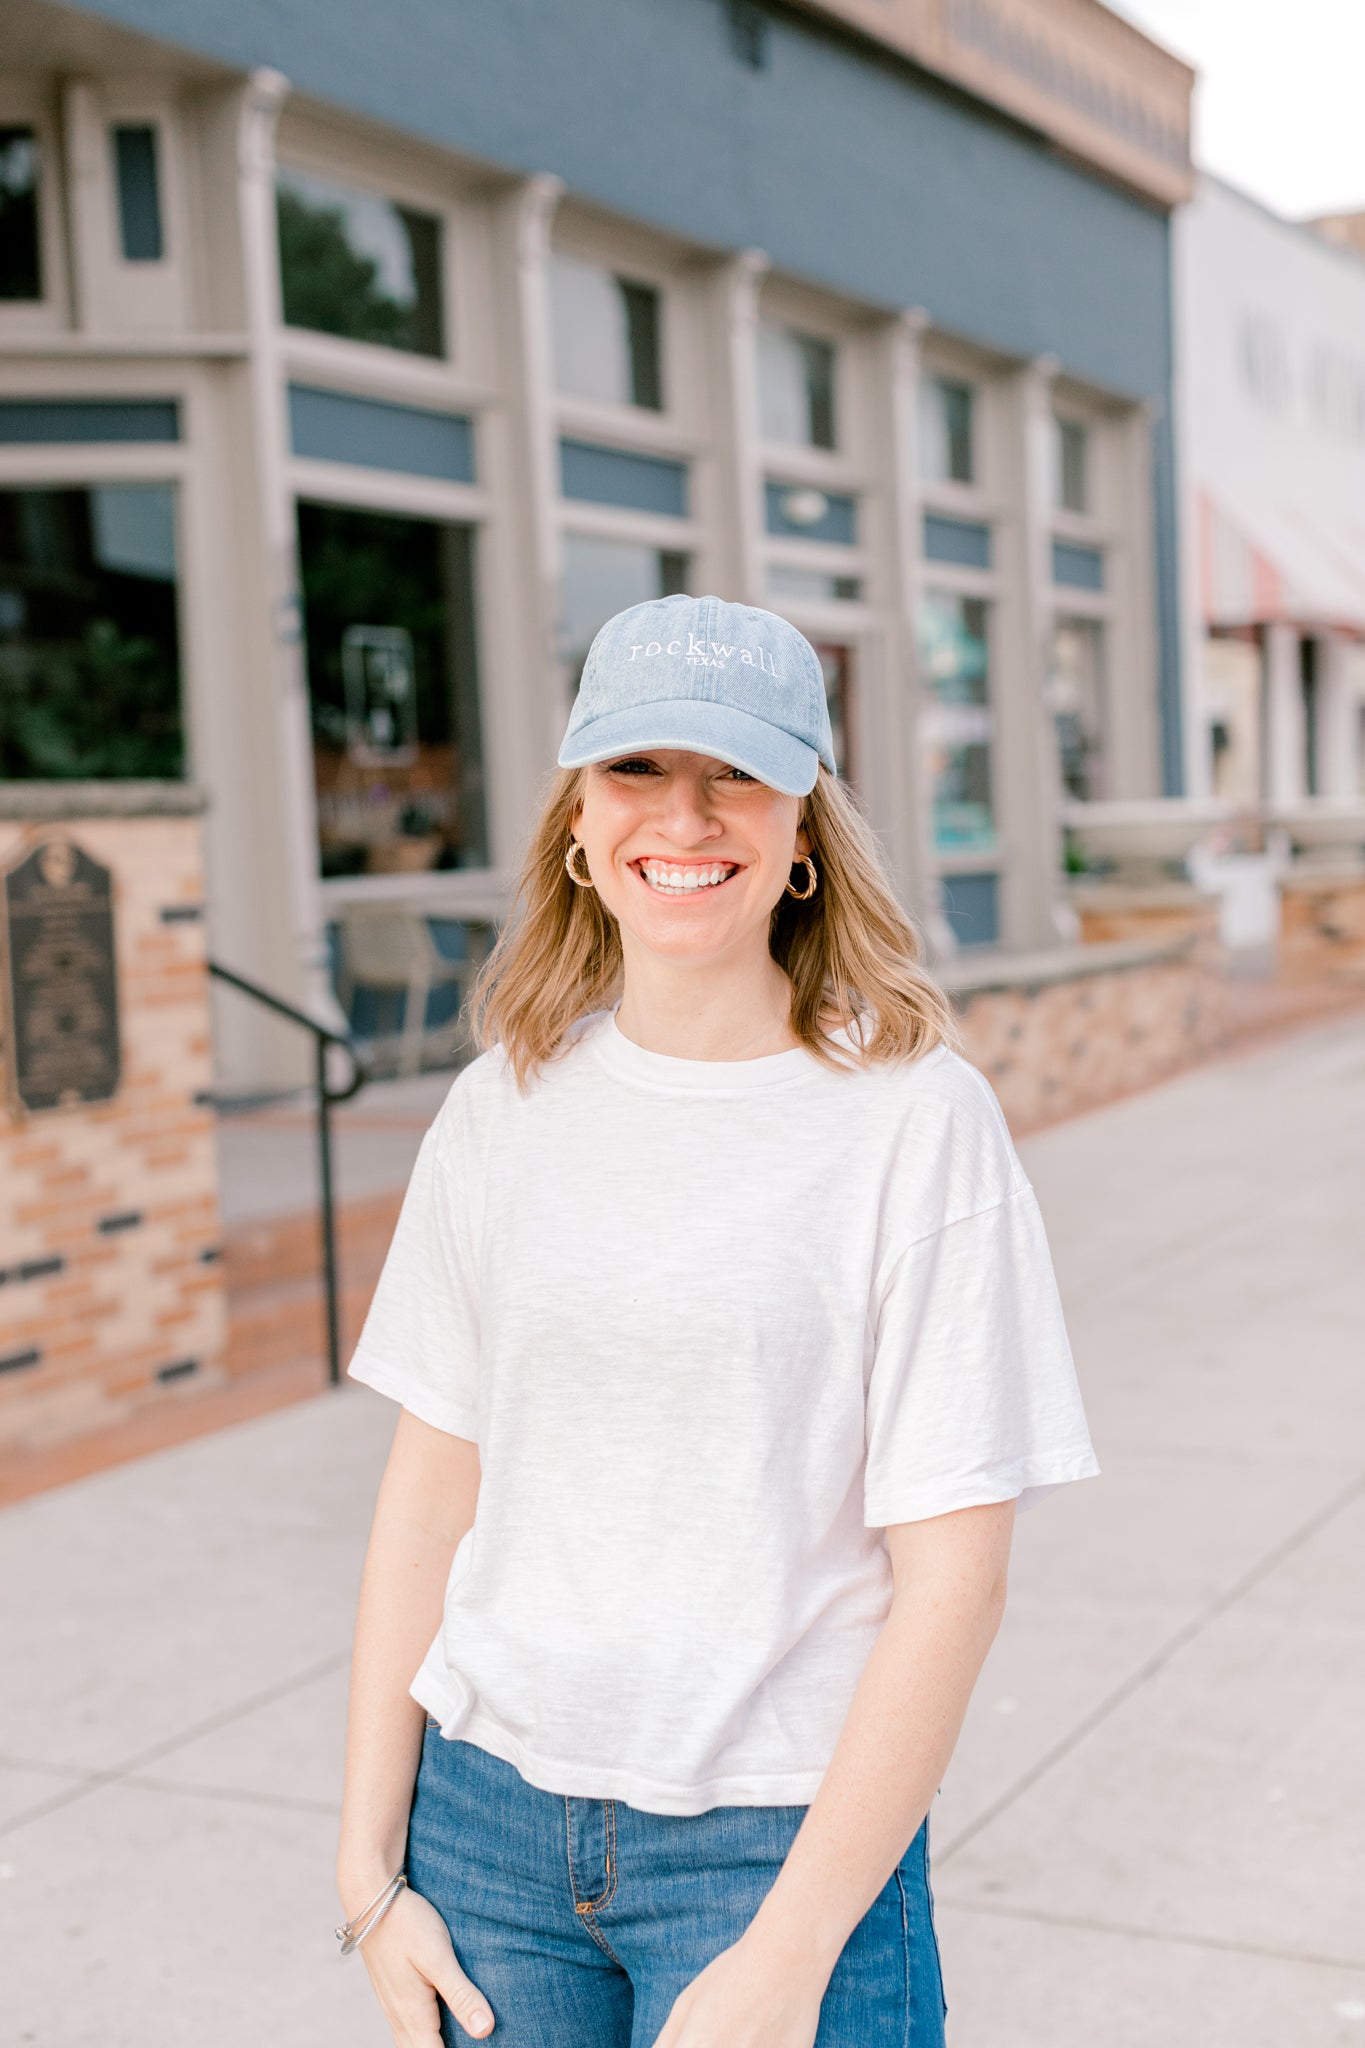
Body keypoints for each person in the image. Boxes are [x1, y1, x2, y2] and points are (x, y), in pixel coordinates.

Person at [336, 595, 1100, 2048]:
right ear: (576, 819)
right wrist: (367, 1866)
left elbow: (952, 1581)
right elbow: (430, 1496)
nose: (682, 815)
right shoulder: (502, 1105)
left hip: (773, 1844)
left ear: (803, 832)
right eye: (636, 769)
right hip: (485, 1833)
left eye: (734, 773)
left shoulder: (912, 1123)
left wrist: (792, 1947)